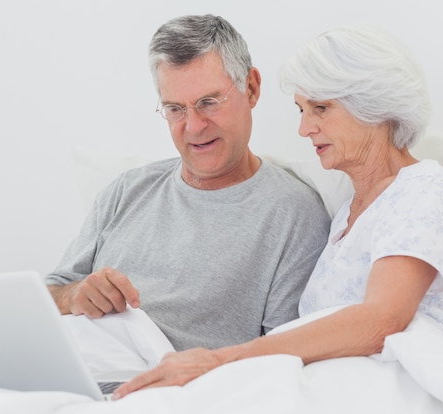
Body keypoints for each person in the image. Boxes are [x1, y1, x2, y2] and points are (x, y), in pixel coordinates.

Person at [112, 24, 443, 399]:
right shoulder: (349, 213)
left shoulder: (424, 190)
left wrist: (219, 361)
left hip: (392, 392)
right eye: (302, 109)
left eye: (321, 108)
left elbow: (381, 321)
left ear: (377, 107)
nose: (304, 128)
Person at [45, 14, 330, 352]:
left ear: (251, 88)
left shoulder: (294, 214)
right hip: (67, 366)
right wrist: (73, 295)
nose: (194, 127)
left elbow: (283, 355)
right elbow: (46, 296)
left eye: (209, 103)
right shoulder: (127, 190)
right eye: (175, 109)